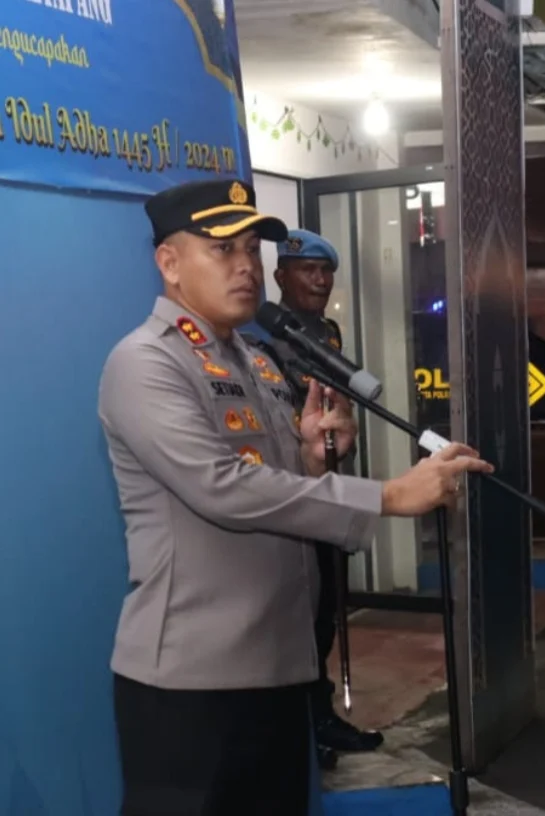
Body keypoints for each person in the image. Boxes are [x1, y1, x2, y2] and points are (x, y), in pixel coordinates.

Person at [98, 178, 494, 816]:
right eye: (222, 249)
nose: (246, 267)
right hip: (193, 683)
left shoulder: (254, 360)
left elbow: (279, 488)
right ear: (169, 263)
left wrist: (312, 457)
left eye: (251, 250)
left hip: (279, 667)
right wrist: (389, 495)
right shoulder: (145, 363)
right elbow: (223, 488)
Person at [268, 229, 382, 765]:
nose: (319, 280)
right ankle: (305, 724)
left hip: (335, 486)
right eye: (307, 271)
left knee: (328, 610)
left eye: (325, 272)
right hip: (297, 491)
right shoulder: (263, 340)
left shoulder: (326, 333)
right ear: (280, 276)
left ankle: (320, 715)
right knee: (303, 616)